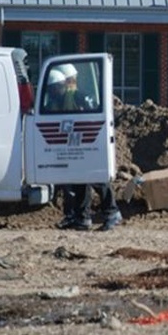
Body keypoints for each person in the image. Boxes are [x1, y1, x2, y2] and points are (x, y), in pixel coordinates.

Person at [49, 63, 122, 231]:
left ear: (61, 86)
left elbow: (93, 118)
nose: (53, 93)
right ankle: (82, 217)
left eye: (55, 89)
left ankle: (112, 213)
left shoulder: (79, 97)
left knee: (97, 178)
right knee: (79, 180)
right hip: (74, 146)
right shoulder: (57, 103)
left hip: (89, 143)